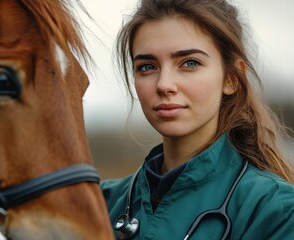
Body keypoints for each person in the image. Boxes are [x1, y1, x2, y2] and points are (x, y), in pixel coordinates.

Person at [100, 0, 294, 239]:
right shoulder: (101, 203)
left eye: (190, 63)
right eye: (147, 66)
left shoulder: (274, 209)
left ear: (232, 78)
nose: (164, 85)